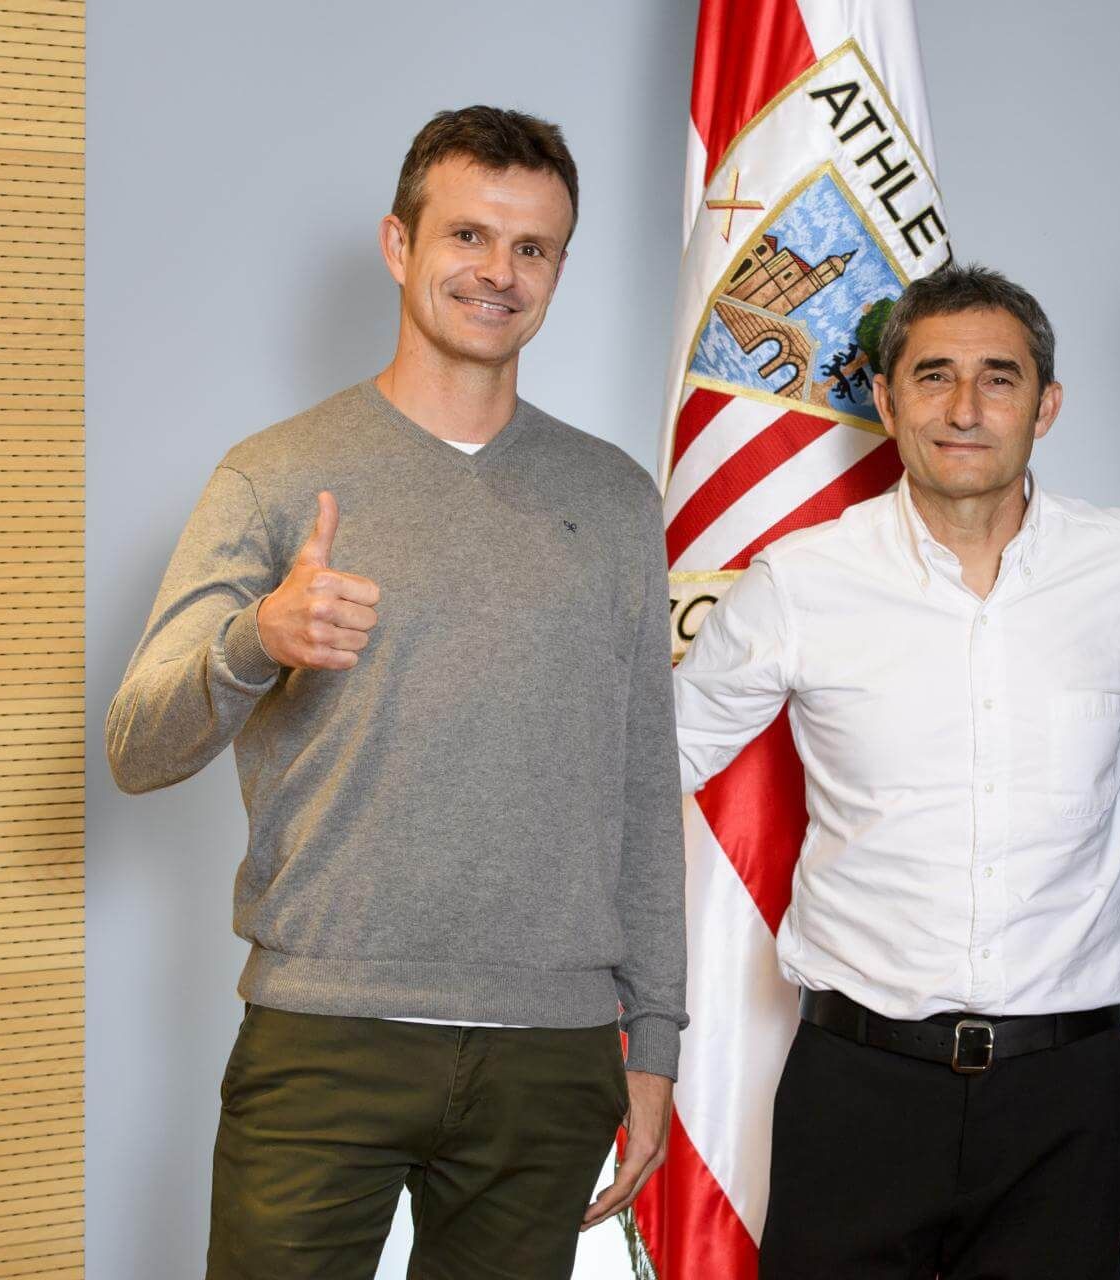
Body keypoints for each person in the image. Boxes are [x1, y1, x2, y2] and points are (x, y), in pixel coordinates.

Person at [105, 106, 685, 1280]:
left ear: (559, 268)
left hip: (550, 1049)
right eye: (469, 235)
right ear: (398, 243)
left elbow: (642, 781)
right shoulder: (273, 474)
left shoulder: (616, 496)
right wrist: (257, 638)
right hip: (328, 1034)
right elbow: (137, 744)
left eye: (533, 247)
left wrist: (657, 1034)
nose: (499, 271)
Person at [671, 264, 1120, 1278]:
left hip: (1065, 1095)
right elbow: (647, 766)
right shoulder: (803, 581)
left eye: (999, 378)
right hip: (859, 1084)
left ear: (1047, 405)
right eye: (934, 375)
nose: (964, 408)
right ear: (886, 397)